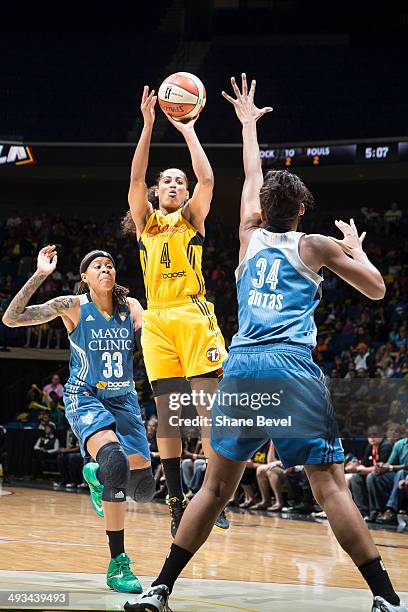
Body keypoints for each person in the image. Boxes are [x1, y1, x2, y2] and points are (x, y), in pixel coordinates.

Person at [125, 75, 406, 612]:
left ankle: (159, 589)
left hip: (244, 366)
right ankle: (386, 598)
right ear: (301, 210)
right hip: (293, 368)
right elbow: (376, 289)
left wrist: (247, 125)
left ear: (262, 209)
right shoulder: (316, 244)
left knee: (213, 489)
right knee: (332, 489)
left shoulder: (247, 237)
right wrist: (356, 249)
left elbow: (251, 174)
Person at [3, 245, 155, 594]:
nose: (106, 270)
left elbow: (154, 338)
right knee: (115, 462)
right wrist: (41, 275)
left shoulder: (131, 307)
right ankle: (118, 563)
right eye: (97, 266)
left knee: (143, 490)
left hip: (125, 401)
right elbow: (11, 318)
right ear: (84, 278)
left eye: (110, 265)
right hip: (85, 395)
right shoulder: (72, 306)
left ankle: (95, 474)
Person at [122, 85, 228, 534]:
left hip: (192, 314)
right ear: (156, 191)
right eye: (166, 180)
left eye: (178, 182)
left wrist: (187, 131)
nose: (173, 184)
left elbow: (206, 180)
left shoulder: (192, 219)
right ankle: (176, 500)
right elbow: (134, 180)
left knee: (206, 411)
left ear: (184, 194)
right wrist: (147, 126)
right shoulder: (146, 223)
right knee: (168, 414)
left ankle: (214, 493)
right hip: (158, 320)